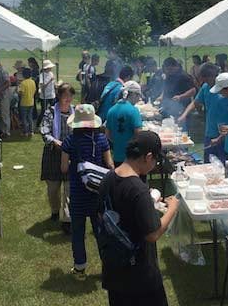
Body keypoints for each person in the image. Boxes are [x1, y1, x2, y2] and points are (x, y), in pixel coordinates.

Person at [99, 131, 178, 305]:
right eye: (156, 160)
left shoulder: (108, 177)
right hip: (139, 275)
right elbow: (152, 234)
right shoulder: (138, 189)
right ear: (148, 157)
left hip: (114, 268)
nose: (155, 165)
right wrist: (172, 209)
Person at [61, 104, 114, 278]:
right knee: (100, 231)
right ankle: (108, 267)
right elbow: (110, 164)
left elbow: (63, 168)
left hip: (77, 193)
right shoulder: (101, 139)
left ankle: (80, 268)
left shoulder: (69, 141)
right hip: (98, 192)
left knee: (78, 232)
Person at [178, 63, 228, 163]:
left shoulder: (226, 89)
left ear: (213, 76)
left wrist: (221, 137)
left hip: (224, 135)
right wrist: (184, 115)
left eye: (206, 79)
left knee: (222, 165)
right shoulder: (206, 87)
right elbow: (196, 102)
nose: (204, 82)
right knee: (208, 164)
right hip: (209, 133)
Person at [40, 83, 75, 232]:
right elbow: (44, 131)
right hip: (53, 154)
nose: (68, 98)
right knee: (53, 189)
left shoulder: (75, 112)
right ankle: (55, 211)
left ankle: (67, 220)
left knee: (69, 189)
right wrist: (55, 142)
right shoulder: (50, 112)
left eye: (70, 96)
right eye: (65, 95)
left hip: (71, 155)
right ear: (59, 96)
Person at [106, 81, 143, 166]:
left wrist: (118, 141)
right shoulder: (134, 110)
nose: (139, 99)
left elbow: (107, 134)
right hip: (131, 157)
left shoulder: (111, 110)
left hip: (117, 156)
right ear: (133, 94)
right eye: (138, 95)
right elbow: (139, 134)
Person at [160, 58, 196, 129]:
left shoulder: (184, 76)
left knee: (180, 129)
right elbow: (166, 87)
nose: (168, 71)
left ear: (175, 66)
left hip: (181, 108)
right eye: (166, 69)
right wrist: (161, 96)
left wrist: (181, 96)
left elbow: (193, 90)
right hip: (169, 107)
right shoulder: (169, 75)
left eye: (170, 69)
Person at [37, 59, 57, 129]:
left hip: (51, 94)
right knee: (43, 111)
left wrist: (55, 85)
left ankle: (53, 123)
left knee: (53, 109)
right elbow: (42, 86)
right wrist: (50, 81)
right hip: (44, 95)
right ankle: (38, 124)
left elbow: (53, 83)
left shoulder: (51, 74)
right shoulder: (42, 75)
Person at [0, 58, 12, 136]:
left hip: (4, 96)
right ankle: (1, 130)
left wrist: (0, 90)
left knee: (4, 114)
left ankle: (6, 131)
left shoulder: (3, 71)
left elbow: (8, 83)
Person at [18, 68, 37, 138]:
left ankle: (25, 132)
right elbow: (35, 90)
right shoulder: (33, 82)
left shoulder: (23, 83)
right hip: (31, 102)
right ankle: (31, 131)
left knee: (24, 118)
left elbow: (21, 93)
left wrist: (18, 91)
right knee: (30, 117)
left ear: (23, 75)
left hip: (24, 102)